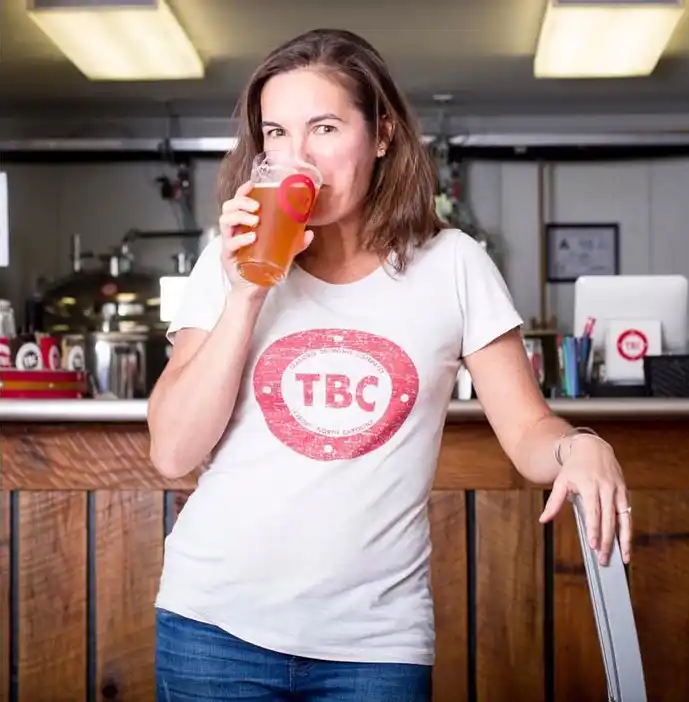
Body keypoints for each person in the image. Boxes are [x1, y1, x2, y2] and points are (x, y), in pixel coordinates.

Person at [147, 27, 632, 702]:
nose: (297, 156)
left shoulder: (453, 264)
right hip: (215, 627)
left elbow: (526, 433)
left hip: (374, 646)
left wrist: (581, 447)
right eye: (276, 133)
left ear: (381, 134)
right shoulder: (226, 264)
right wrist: (247, 293)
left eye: (323, 127)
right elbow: (173, 450)